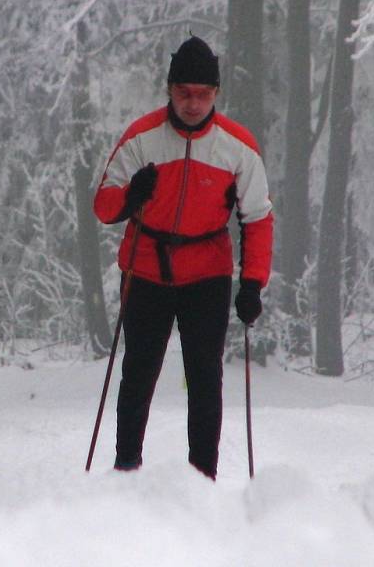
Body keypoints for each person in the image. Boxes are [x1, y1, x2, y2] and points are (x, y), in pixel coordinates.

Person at [93, 36, 273, 480]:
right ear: (169, 89)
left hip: (206, 274)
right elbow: (104, 206)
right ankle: (126, 470)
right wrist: (131, 195)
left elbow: (258, 218)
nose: (193, 104)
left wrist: (251, 284)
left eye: (203, 95)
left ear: (216, 94)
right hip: (146, 269)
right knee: (138, 374)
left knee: (205, 380)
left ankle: (201, 480)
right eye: (184, 93)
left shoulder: (238, 146)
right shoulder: (141, 137)